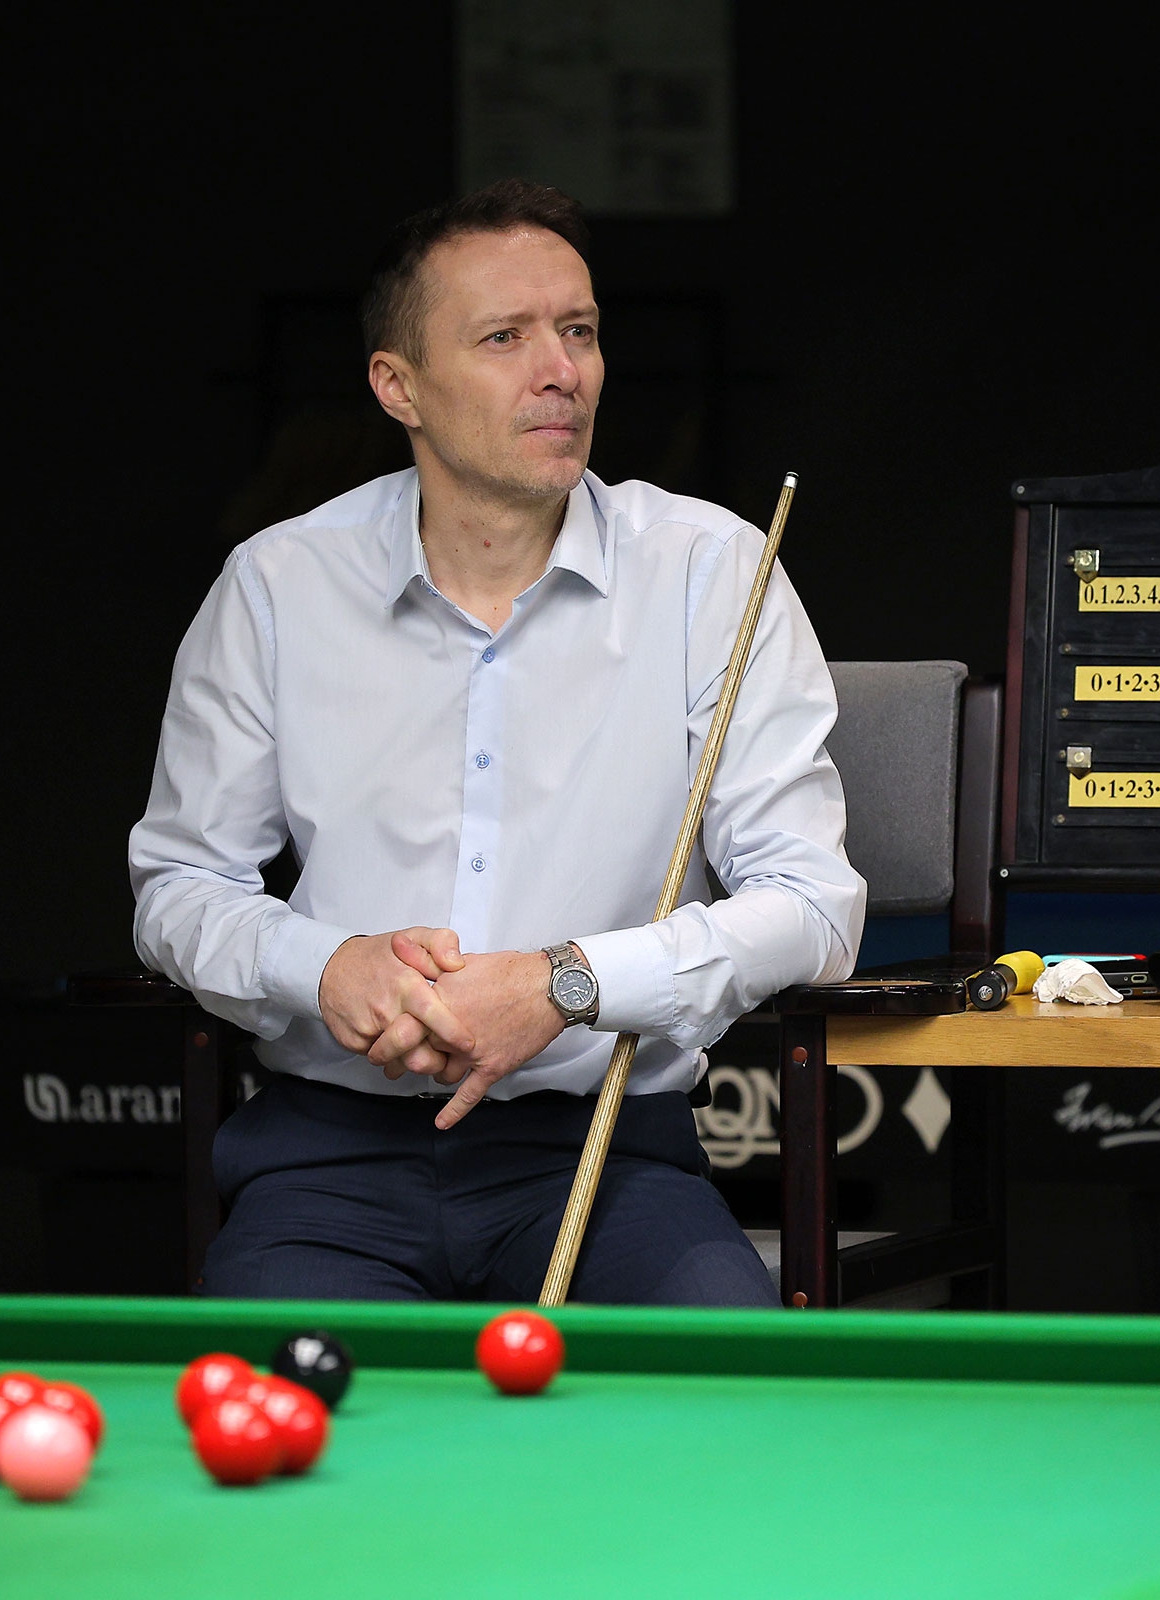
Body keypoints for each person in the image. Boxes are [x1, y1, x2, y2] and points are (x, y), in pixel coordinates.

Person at [127, 180, 863, 1306]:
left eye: (580, 331)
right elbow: (179, 887)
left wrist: (564, 984)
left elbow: (813, 907)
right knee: (270, 1395)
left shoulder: (715, 574)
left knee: (721, 1376)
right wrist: (323, 966)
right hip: (327, 1167)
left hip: (602, 1158)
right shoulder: (278, 584)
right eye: (505, 337)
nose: (561, 370)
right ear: (398, 385)